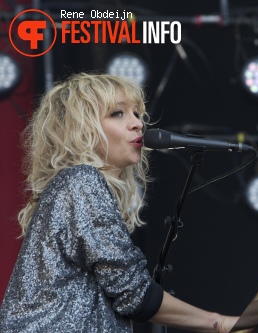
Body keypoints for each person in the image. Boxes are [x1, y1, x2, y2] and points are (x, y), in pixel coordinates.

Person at [0, 73, 241, 333]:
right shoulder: (81, 181)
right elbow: (135, 294)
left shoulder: (74, 186)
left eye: (137, 114)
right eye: (118, 113)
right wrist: (219, 323)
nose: (137, 124)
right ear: (81, 129)